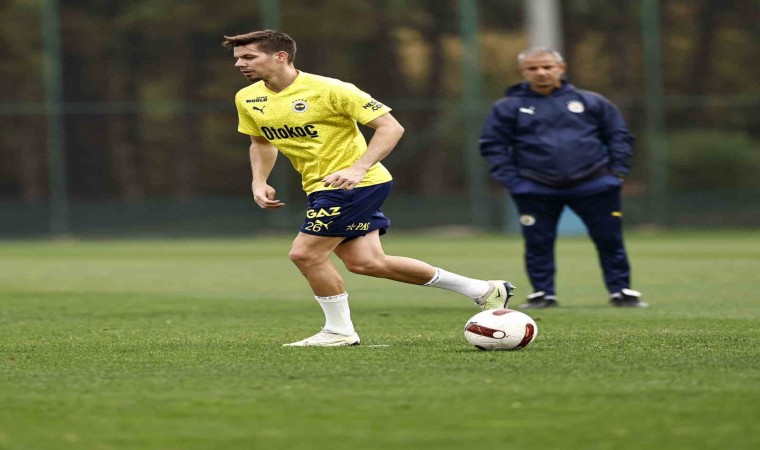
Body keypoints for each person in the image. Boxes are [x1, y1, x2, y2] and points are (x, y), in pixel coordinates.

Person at [223, 29, 515, 346]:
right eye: (238, 58)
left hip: (354, 185)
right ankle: (483, 289)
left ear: (280, 57)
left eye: (249, 57)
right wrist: (259, 180)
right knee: (366, 263)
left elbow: (390, 127)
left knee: (305, 255)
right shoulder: (248, 97)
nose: (240, 64)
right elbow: (260, 142)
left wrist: (358, 167)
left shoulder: (330, 89)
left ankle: (339, 331)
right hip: (322, 187)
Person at [479, 47, 647, 309]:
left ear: (561, 68)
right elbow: (492, 145)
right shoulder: (508, 107)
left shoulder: (592, 102)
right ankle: (543, 293)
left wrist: (618, 172)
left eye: (547, 66)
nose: (541, 72)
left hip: (594, 184)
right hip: (535, 187)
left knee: (609, 239)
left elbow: (619, 136)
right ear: (523, 72)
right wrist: (513, 182)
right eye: (533, 68)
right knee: (538, 243)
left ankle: (621, 290)